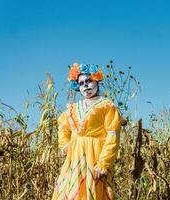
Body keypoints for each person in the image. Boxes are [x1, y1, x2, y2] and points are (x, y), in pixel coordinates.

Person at [52, 63, 122, 200]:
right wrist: (66, 145)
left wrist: (103, 163)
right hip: (75, 157)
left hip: (95, 155)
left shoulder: (106, 105)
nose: (85, 85)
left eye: (89, 81)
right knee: (70, 190)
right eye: (81, 83)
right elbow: (63, 126)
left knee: (93, 191)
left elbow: (112, 135)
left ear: (96, 81)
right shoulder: (73, 108)